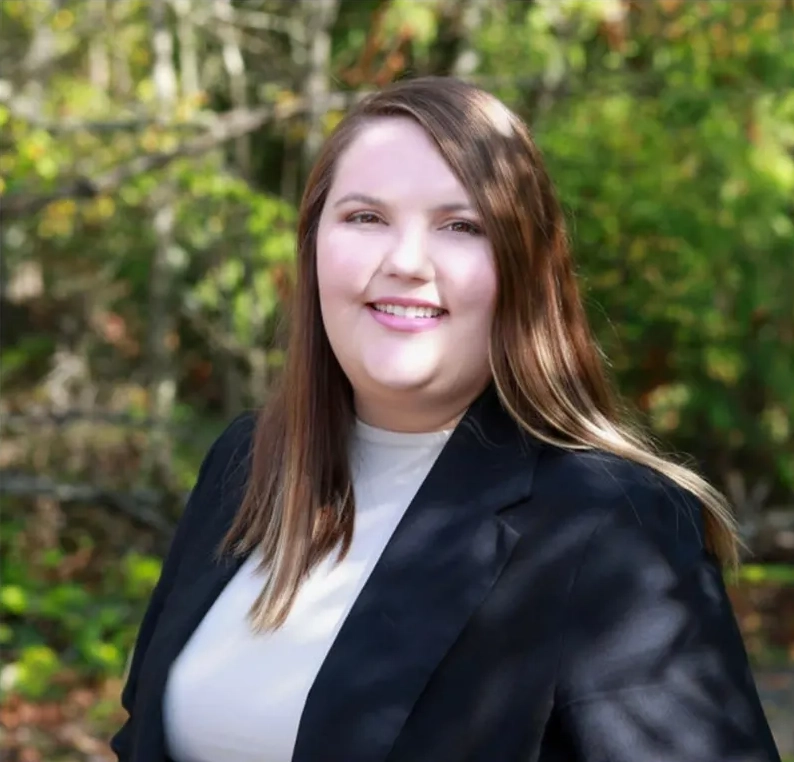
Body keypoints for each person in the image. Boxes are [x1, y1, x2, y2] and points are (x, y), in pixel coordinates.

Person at [111, 76, 781, 762]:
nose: (404, 262)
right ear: (314, 246)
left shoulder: (609, 521)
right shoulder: (246, 461)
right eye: (365, 217)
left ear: (521, 268)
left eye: (461, 226)